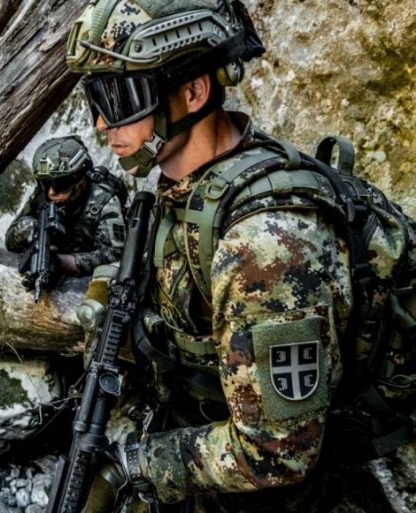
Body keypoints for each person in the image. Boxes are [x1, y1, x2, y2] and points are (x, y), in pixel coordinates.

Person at [64, 1, 354, 512]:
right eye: (96, 98)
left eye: (120, 97)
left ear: (194, 91)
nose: (103, 122)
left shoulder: (264, 244)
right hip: (200, 421)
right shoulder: (188, 186)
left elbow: (278, 454)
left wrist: (137, 465)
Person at [5, 135, 128, 280]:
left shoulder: (104, 201)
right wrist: (26, 230)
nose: (51, 193)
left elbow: (115, 255)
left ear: (80, 181)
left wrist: (62, 262)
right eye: (45, 184)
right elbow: (9, 241)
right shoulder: (43, 194)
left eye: (59, 185)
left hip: (86, 274)